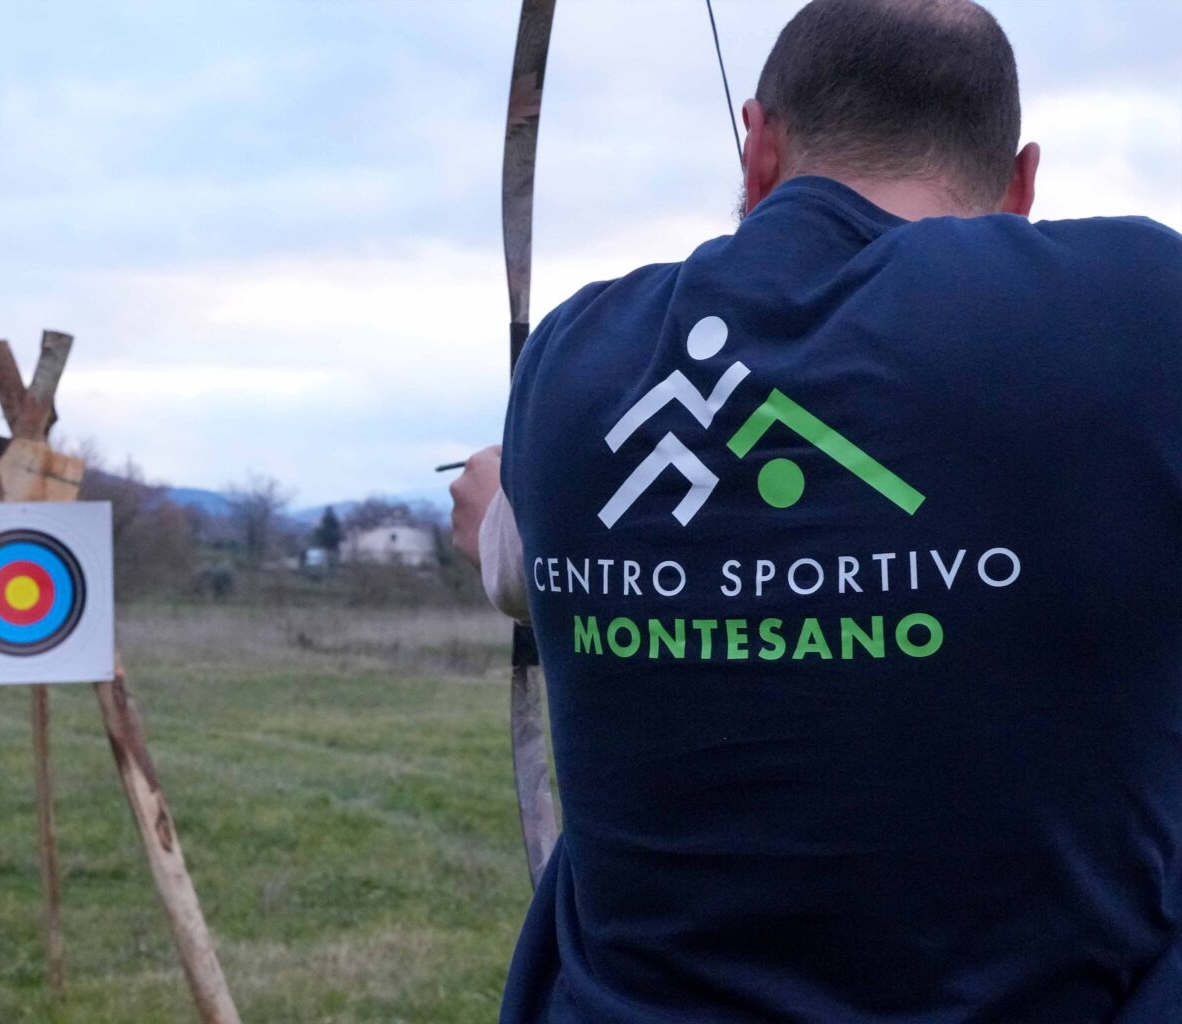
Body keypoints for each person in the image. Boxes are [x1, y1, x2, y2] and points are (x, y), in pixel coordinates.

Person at [447, 0, 1182, 1020]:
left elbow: (527, 565)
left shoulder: (575, 360)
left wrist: (500, 501)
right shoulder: (1139, 314)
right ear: (1020, 185)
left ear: (758, 148)